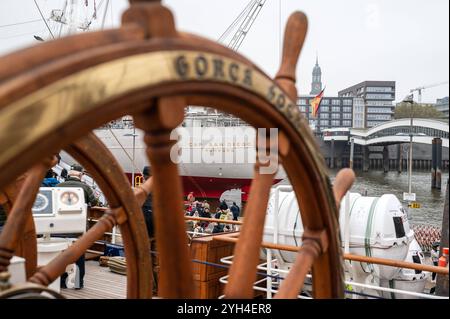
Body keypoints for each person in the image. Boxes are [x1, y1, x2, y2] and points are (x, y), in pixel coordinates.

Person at [57, 164, 98, 289]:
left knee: (62, 254)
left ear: (69, 174)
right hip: (78, 228)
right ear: (81, 175)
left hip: (59, 227)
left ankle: (61, 282)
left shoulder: (58, 186)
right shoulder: (85, 187)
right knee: (79, 254)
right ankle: (78, 282)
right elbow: (95, 202)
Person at [141, 166, 159, 295]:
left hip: (145, 232)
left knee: (145, 261)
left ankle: (149, 287)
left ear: (143, 176)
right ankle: (158, 288)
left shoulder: (140, 191)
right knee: (156, 261)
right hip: (159, 232)